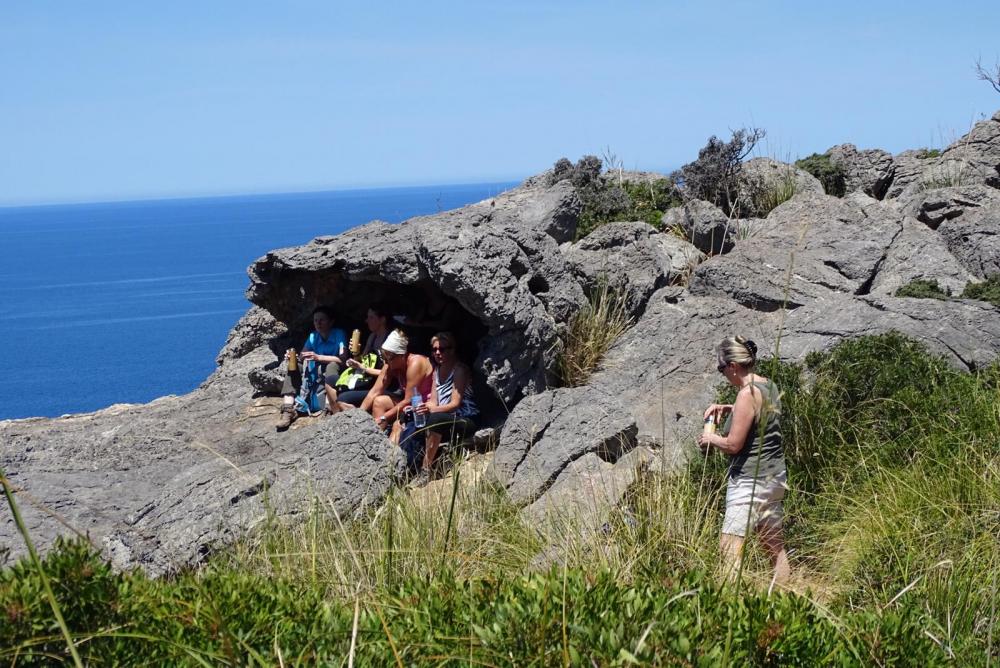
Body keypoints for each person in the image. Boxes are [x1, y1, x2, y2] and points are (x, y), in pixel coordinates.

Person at [696, 335, 790, 585]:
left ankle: (730, 601)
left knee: (730, 547)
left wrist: (710, 438)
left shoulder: (746, 395)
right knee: (774, 548)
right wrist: (729, 408)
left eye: (721, 369)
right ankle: (786, 594)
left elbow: (733, 445)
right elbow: (758, 412)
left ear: (733, 366)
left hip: (750, 481)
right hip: (774, 478)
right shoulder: (768, 385)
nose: (723, 374)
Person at [412, 332, 479, 485]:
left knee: (435, 419)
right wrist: (422, 407)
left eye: (442, 349)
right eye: (434, 350)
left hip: (465, 418)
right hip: (445, 417)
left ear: (452, 350)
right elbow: (433, 402)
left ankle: (426, 470)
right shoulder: (437, 371)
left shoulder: (459, 370)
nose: (437, 353)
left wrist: (430, 411)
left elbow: (455, 404)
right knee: (412, 418)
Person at [357, 330, 433, 456]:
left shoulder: (415, 363)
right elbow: (375, 391)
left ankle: (387, 454)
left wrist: (383, 418)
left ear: (402, 355)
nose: (386, 362)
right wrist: (358, 415)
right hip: (408, 404)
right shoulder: (390, 364)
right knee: (379, 401)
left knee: (396, 427)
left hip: (423, 405)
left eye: (389, 358)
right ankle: (375, 443)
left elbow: (409, 400)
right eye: (384, 358)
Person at [276, 306, 348, 430]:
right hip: (316, 373)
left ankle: (329, 408)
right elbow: (302, 357)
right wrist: (293, 358)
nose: (318, 323)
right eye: (315, 320)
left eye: (322, 320)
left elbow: (343, 360)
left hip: (334, 372)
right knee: (294, 367)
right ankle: (288, 409)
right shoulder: (313, 336)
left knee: (332, 365)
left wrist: (319, 357)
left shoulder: (339, 334)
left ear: (331, 322)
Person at [324, 303, 392, 410]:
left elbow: (388, 373)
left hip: (380, 383)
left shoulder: (389, 341)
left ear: (382, 319)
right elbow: (362, 360)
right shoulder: (372, 337)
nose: (367, 321)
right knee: (330, 381)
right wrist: (356, 354)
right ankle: (336, 415)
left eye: (371, 317)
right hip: (365, 378)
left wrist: (363, 368)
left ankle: (358, 417)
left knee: (343, 398)